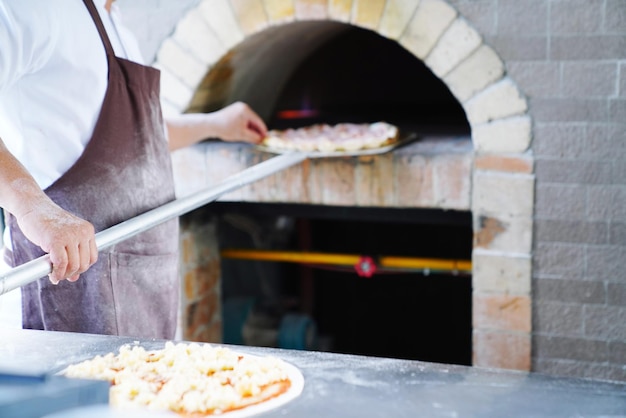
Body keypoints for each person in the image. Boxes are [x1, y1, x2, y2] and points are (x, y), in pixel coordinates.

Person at [0, 0, 267, 338]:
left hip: (142, 288)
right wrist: (32, 207)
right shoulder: (34, 7)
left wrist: (214, 124)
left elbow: (139, 136)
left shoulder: (116, 23)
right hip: (68, 295)